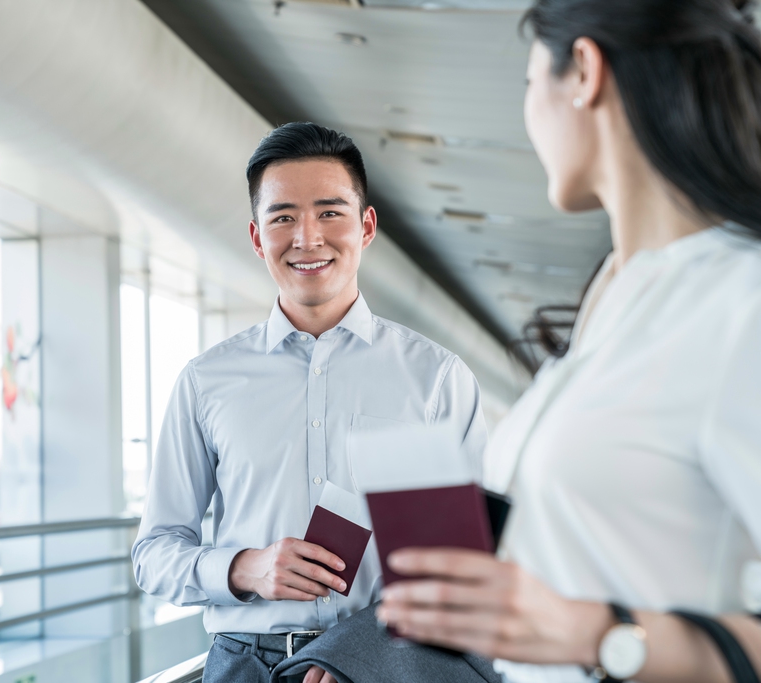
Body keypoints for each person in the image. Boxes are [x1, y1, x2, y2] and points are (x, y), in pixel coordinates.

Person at [372, 0, 761, 681]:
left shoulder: (740, 302)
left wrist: (596, 634)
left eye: (529, 86)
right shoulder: (611, 301)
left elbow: (576, 623)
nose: (528, 117)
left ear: (583, 70)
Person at [131, 122, 488, 683]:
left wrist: (358, 654)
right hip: (243, 663)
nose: (307, 238)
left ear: (366, 226)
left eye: (329, 212)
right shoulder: (208, 380)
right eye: (283, 218)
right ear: (256, 237)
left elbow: (462, 569)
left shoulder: (435, 378)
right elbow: (153, 552)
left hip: (382, 665)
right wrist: (245, 569)